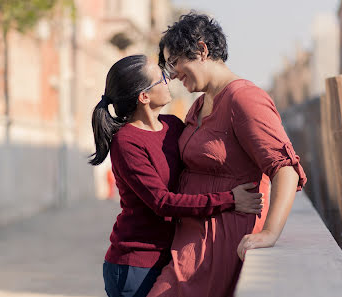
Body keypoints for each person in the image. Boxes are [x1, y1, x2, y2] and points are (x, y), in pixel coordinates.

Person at [146, 13, 307, 297]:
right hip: (190, 237)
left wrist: (269, 233)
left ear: (202, 50)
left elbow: (285, 169)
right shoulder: (198, 105)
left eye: (174, 63)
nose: (172, 75)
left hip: (219, 239)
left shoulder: (245, 98)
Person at [89, 54, 264, 297]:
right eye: (160, 78)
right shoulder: (126, 142)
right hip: (136, 264)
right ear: (144, 97)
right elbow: (163, 202)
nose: (168, 79)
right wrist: (230, 199)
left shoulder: (173, 125)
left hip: (173, 253)